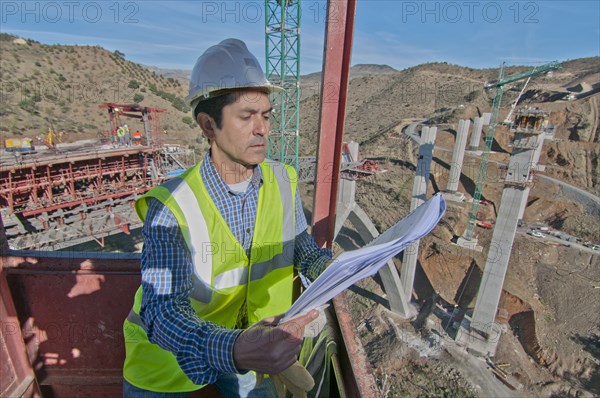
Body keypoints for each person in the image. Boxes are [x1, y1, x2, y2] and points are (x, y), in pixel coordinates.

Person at [123, 38, 333, 397]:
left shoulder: (283, 181)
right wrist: (234, 349)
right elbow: (163, 310)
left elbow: (304, 251)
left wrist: (337, 271)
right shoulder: (172, 206)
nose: (263, 129)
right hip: (169, 362)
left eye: (266, 116)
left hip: (251, 348)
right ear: (208, 125)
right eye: (246, 117)